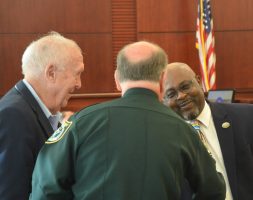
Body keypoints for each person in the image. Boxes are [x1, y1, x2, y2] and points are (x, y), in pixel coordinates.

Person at [29, 41, 225, 200]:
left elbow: (45, 186)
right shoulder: (182, 129)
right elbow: (214, 189)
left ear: (117, 79)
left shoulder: (82, 122)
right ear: (162, 78)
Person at [0, 32, 84, 200]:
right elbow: (12, 193)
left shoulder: (34, 110)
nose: (79, 84)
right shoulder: (14, 115)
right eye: (77, 74)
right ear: (51, 73)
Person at [162, 62, 253, 200]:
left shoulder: (246, 117)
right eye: (171, 94)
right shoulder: (162, 140)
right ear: (163, 100)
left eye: (185, 87)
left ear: (199, 82)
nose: (180, 96)